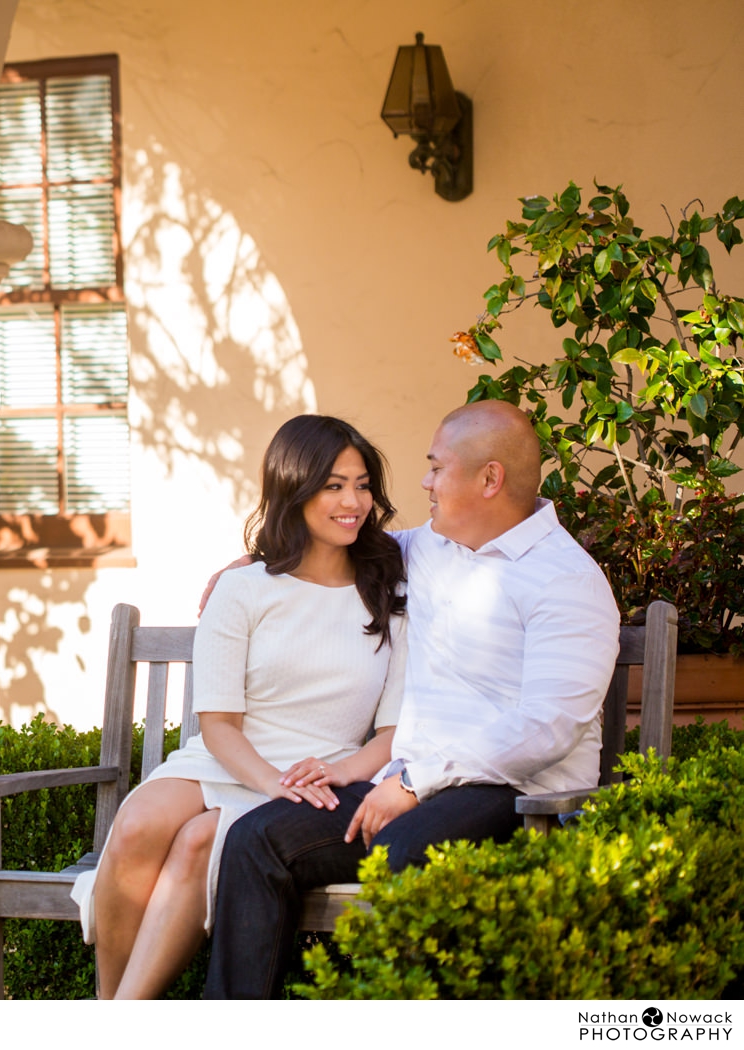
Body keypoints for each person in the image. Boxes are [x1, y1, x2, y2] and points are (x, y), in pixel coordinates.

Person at [201, 399, 621, 998]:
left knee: (402, 851)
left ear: (489, 479)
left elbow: (547, 726)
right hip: (407, 785)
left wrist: (417, 782)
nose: (422, 482)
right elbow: (333, 545)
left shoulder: (566, 581)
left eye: (436, 467)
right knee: (257, 837)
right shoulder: (426, 548)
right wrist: (253, 564)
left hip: (516, 795)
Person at [71, 414, 409, 999]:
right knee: (138, 825)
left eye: (361, 484)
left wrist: (334, 773)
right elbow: (219, 724)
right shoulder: (244, 588)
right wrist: (271, 782)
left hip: (322, 775)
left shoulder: (389, 592)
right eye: (333, 486)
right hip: (234, 760)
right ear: (293, 489)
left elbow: (391, 732)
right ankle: (110, 1005)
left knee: (201, 840)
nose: (353, 501)